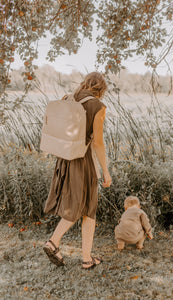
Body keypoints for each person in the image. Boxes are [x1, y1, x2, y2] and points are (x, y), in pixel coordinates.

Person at [43, 72, 112, 269]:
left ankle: (84, 256)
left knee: (80, 206)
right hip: (84, 161)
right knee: (87, 208)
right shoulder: (98, 106)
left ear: (85, 84)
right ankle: (57, 243)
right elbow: (97, 142)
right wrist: (105, 172)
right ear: (101, 88)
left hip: (65, 159)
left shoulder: (68, 99)